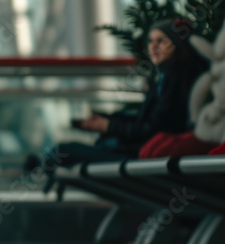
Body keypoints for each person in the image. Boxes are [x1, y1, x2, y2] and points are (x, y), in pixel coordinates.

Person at [38, 18, 209, 172]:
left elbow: (152, 130)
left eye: (161, 41)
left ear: (176, 44)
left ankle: (38, 170)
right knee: (82, 147)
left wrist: (109, 126)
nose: (153, 47)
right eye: (150, 41)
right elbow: (149, 124)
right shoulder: (168, 77)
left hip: (142, 157)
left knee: (63, 151)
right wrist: (108, 121)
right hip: (143, 154)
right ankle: (39, 169)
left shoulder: (173, 80)